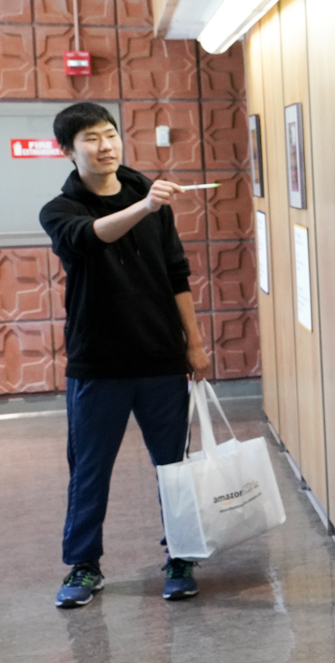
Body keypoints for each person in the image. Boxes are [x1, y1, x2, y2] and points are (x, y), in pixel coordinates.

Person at [38, 103, 211, 609]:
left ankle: (181, 556)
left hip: (160, 358)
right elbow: (91, 238)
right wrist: (146, 207)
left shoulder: (152, 199)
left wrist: (195, 345)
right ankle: (84, 565)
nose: (105, 145)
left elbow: (177, 275)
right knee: (89, 469)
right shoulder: (60, 210)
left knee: (173, 467)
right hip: (98, 364)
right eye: (91, 138)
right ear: (67, 151)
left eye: (110, 134)